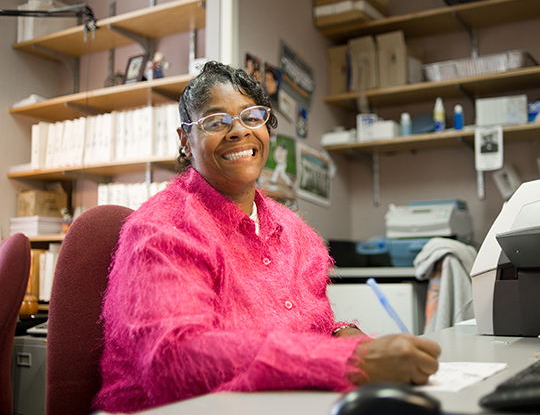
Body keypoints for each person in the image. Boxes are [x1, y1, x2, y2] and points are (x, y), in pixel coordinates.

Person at [94, 61, 440, 413]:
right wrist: (349, 361)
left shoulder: (296, 232)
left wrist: (339, 335)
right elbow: (176, 360)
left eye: (251, 117)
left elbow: (305, 326)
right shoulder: (161, 229)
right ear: (185, 140)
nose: (237, 131)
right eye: (215, 122)